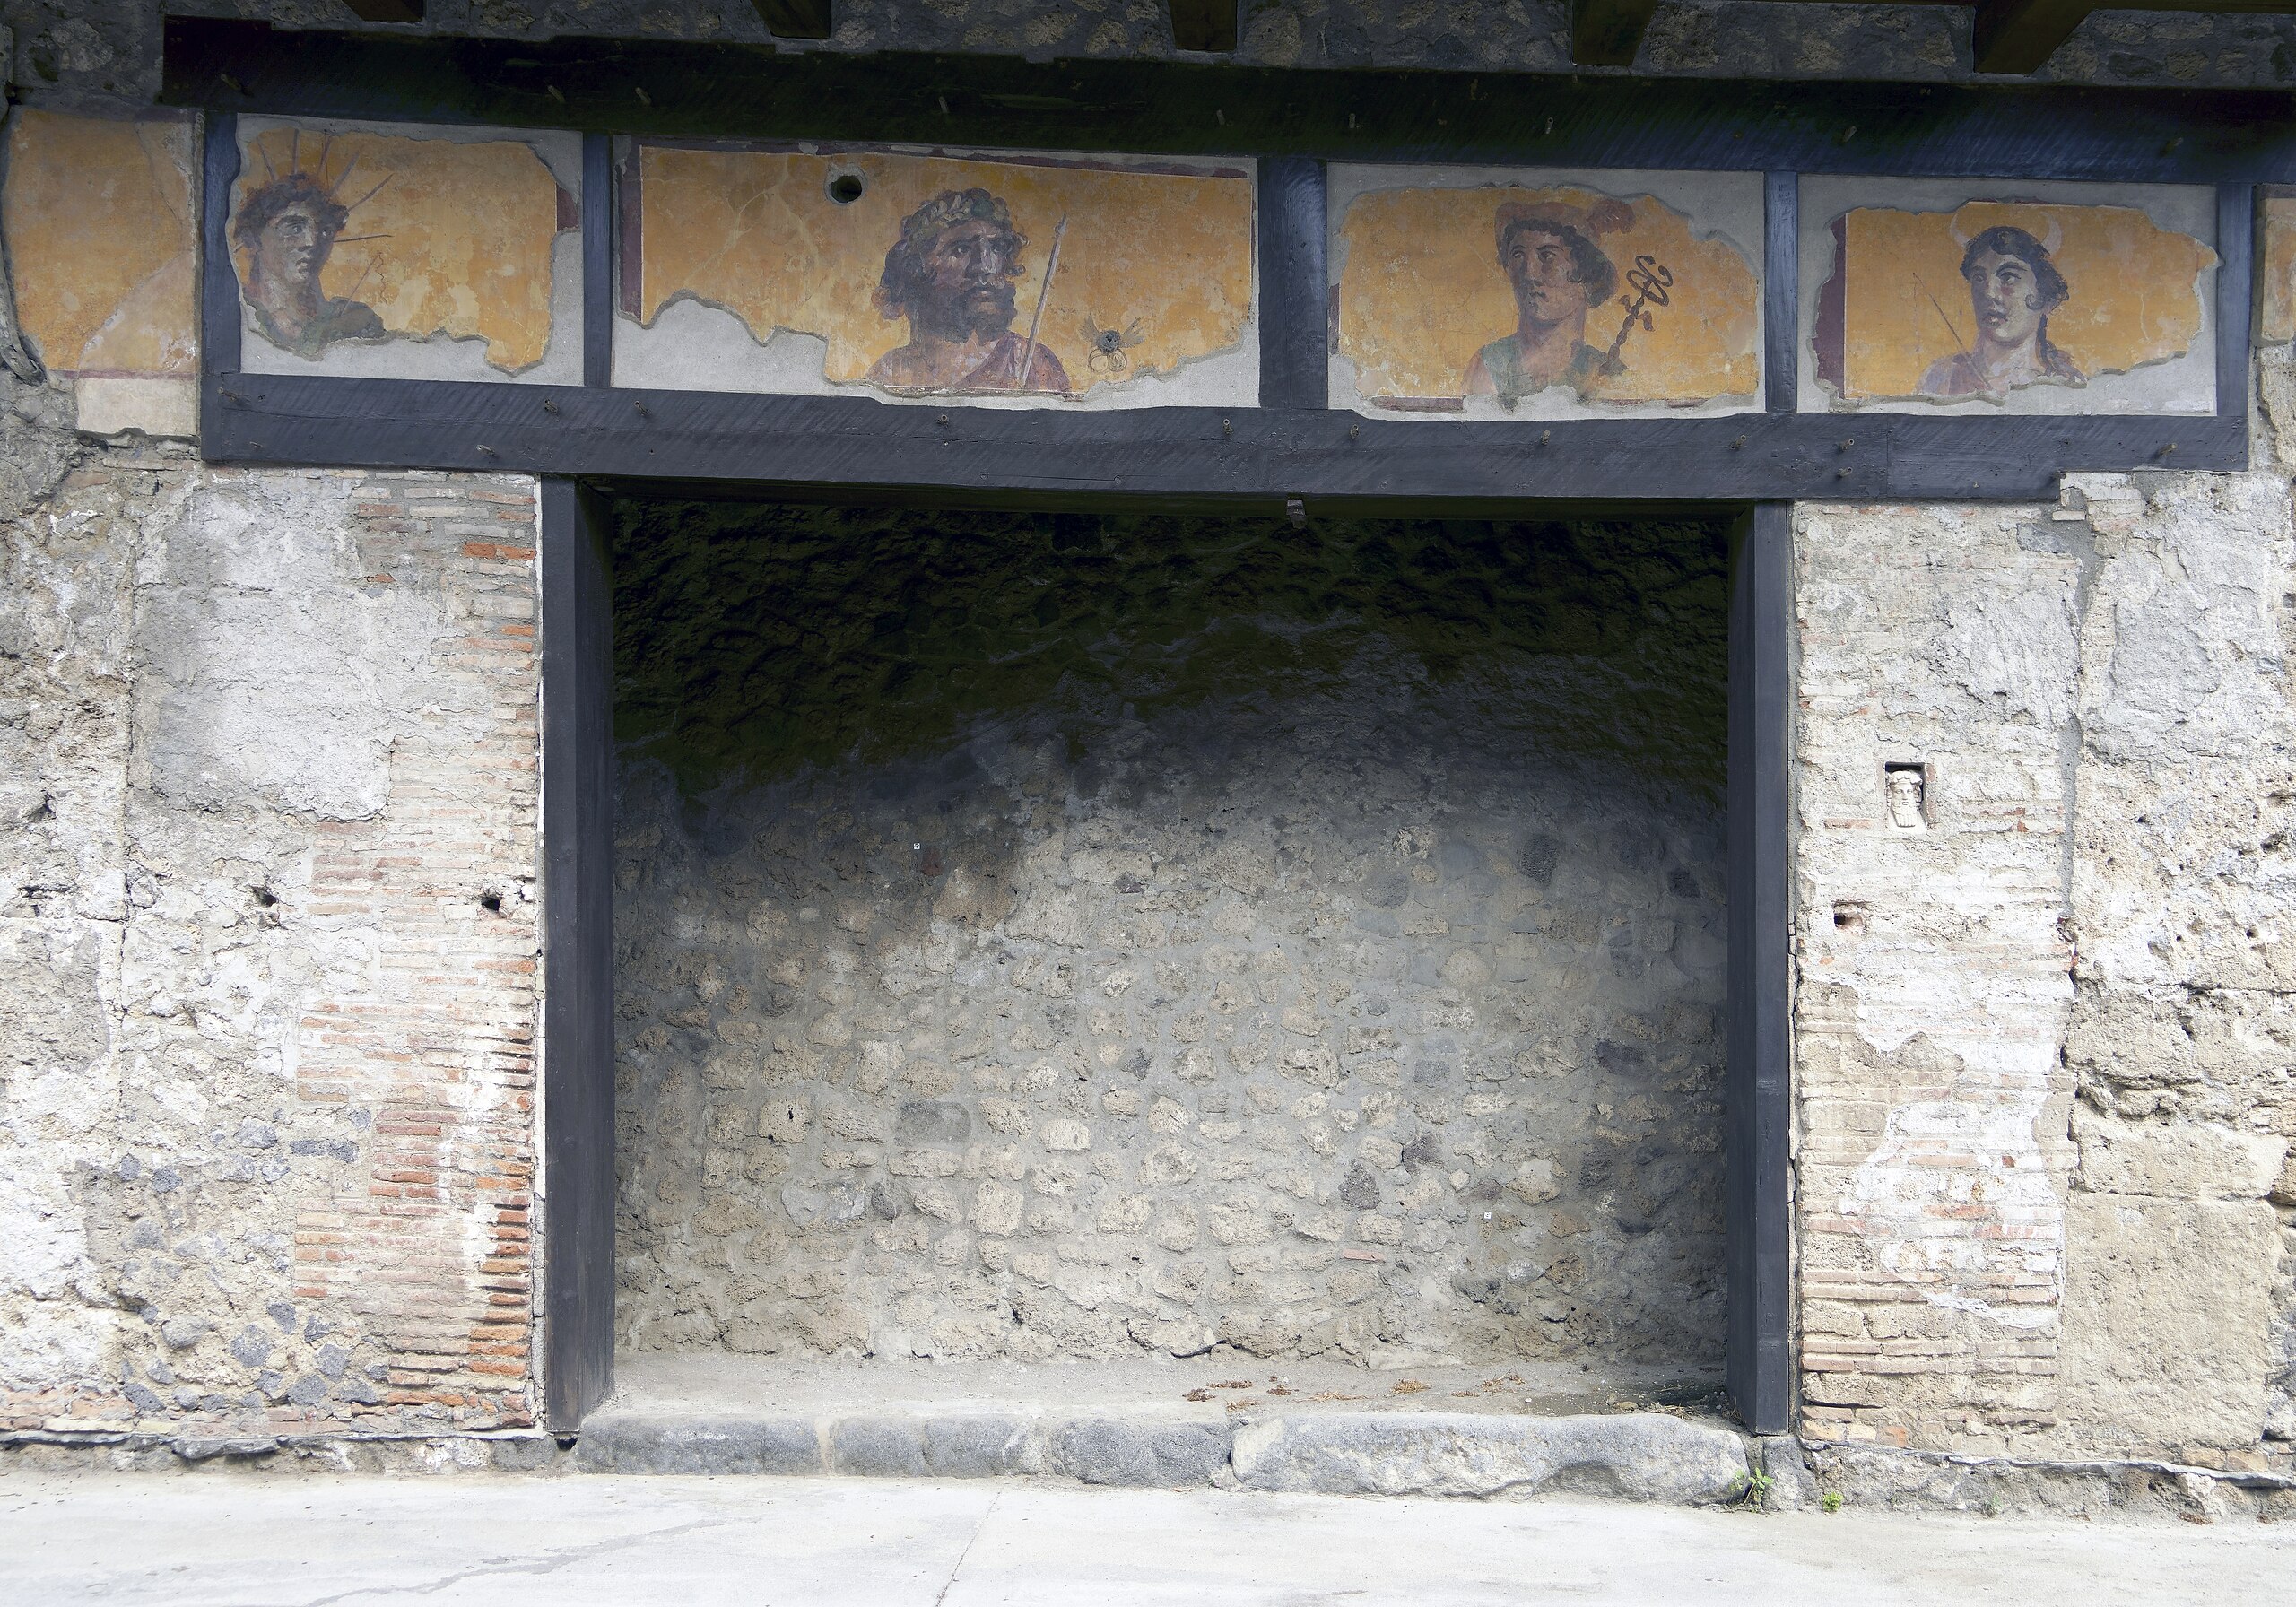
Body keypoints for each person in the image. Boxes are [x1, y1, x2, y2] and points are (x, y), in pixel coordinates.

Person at [865, 188, 1070, 394]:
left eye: (996, 248)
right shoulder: (889, 372)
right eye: (961, 249)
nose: (985, 266)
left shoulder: (1029, 361)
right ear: (915, 269)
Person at [1463, 197, 1631, 406]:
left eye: (1547, 256)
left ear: (1586, 275)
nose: (1529, 272)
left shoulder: (1608, 373)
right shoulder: (1489, 365)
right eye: (1518, 256)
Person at [1918, 224, 2083, 398]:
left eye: (2008, 277)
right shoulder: (1940, 377)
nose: (1989, 293)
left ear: (2045, 299)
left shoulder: (2064, 385)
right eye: (1979, 278)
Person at [234, 171, 385, 360]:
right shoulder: (236, 314)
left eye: (325, 232)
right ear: (253, 239)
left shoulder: (357, 320)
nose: (311, 242)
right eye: (295, 228)